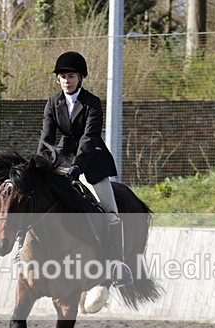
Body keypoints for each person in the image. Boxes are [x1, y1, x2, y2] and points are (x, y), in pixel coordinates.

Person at [37, 51, 133, 290]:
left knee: (111, 212)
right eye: (63, 76)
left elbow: (89, 138)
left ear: (80, 78)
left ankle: (117, 263)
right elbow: (46, 138)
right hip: (62, 158)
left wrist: (78, 166)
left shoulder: (92, 102)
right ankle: (24, 251)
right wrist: (39, 164)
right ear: (58, 79)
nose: (66, 81)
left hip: (91, 161)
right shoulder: (52, 103)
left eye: (71, 76)